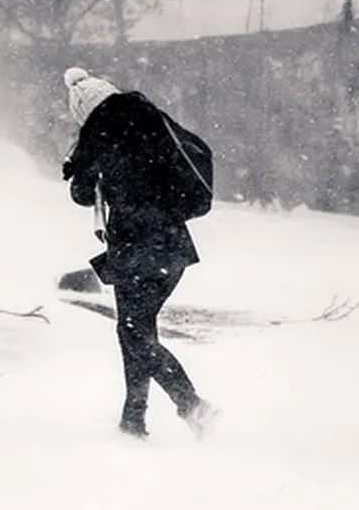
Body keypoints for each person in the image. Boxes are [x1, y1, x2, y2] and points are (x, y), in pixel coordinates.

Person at [60, 66, 218, 440]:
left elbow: (82, 195)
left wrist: (79, 166)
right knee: (136, 330)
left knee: (134, 333)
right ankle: (133, 421)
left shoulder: (98, 135)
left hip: (135, 245)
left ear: (84, 110)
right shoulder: (150, 120)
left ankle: (191, 405)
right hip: (172, 244)